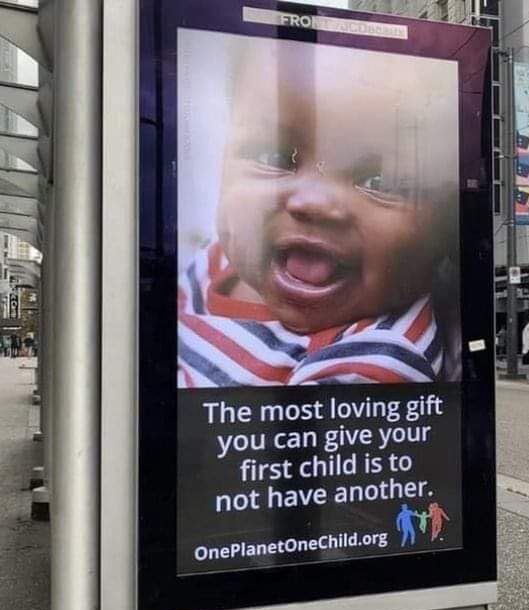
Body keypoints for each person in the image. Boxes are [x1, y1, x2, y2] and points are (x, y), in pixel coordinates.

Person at [178, 38, 458, 387]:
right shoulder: (217, 259)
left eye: (380, 181)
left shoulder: (376, 358)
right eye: (275, 158)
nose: (314, 202)